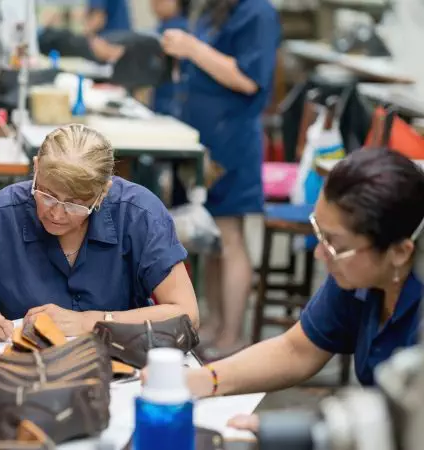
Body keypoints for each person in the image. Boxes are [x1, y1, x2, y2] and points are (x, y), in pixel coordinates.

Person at [160, 149, 424, 428]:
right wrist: (205, 380)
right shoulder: (357, 280)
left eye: (335, 244)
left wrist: (280, 432)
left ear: (399, 252)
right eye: (319, 233)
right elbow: (297, 349)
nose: (321, 254)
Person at [0, 124, 199, 342]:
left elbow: (187, 315)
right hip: (27, 370)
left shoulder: (139, 214)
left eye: (76, 204)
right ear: (36, 168)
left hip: (122, 364)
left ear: (103, 192)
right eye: (47, 194)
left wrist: (89, 321)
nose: (56, 212)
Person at [160, 0, 281, 358]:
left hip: (231, 141)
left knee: (229, 237)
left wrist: (192, 49)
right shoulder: (216, 10)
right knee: (211, 241)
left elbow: (248, 78)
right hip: (206, 138)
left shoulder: (257, 12)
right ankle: (214, 324)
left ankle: (233, 335)